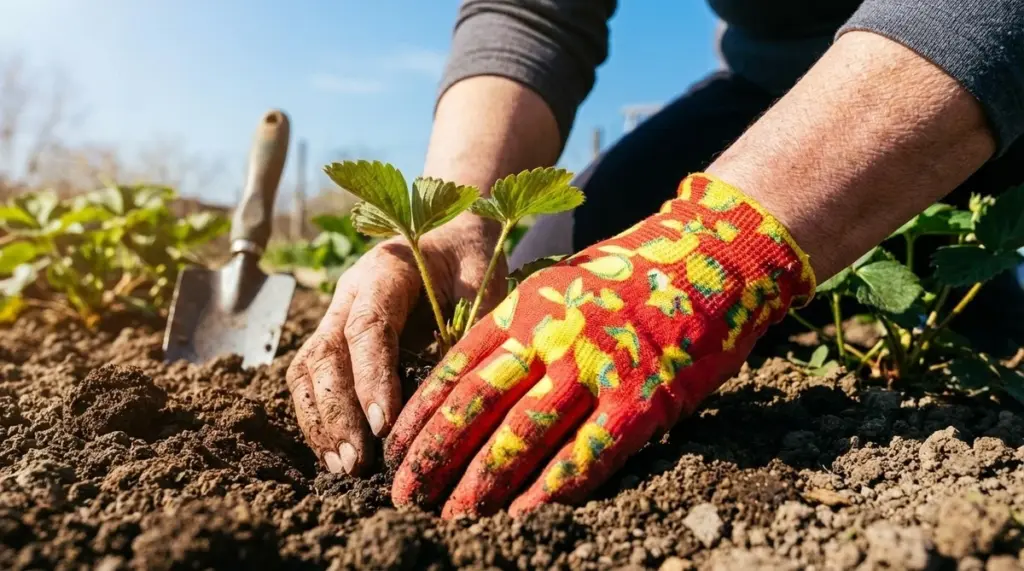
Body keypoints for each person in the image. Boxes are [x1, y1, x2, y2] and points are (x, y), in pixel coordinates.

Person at [286, 0, 1024, 518]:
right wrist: (453, 225)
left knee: (980, 322)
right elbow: (535, 9)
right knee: (554, 256)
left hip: (985, 63)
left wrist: (726, 240)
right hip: (775, 86)